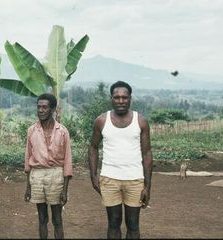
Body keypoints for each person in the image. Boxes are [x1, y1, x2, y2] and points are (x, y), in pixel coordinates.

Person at [88, 80, 153, 239]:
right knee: (113, 223)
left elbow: (147, 154)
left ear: (130, 98)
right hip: (109, 180)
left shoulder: (141, 121)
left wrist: (147, 186)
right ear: (111, 98)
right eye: (117, 97)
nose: (121, 101)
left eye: (125, 97)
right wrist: (93, 176)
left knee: (133, 224)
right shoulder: (102, 121)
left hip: (135, 179)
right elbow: (93, 147)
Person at [24, 93, 73, 239]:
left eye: (45, 107)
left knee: (57, 219)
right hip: (37, 176)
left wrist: (65, 189)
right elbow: (28, 158)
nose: (41, 110)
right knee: (42, 218)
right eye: (39, 107)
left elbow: (68, 160)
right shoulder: (32, 130)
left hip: (56, 175)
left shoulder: (62, 131)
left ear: (52, 109)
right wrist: (28, 187)